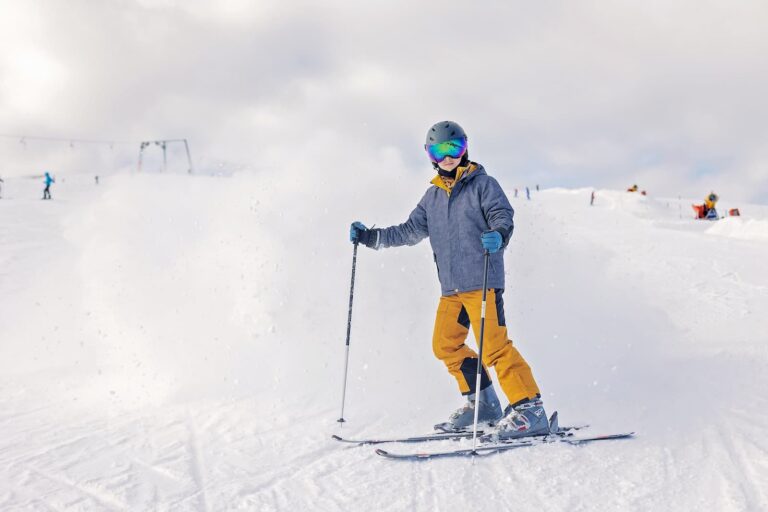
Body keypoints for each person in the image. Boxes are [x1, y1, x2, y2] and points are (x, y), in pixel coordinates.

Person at [350, 121, 548, 441]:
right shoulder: (432, 198)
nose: (447, 157)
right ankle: (482, 404)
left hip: (482, 282)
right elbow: (407, 231)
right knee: (445, 345)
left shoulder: (483, 185)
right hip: (451, 290)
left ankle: (530, 410)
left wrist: (499, 234)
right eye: (439, 151)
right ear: (429, 155)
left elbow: (502, 215)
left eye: (453, 149)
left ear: (465, 148)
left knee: (493, 347)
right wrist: (370, 237)